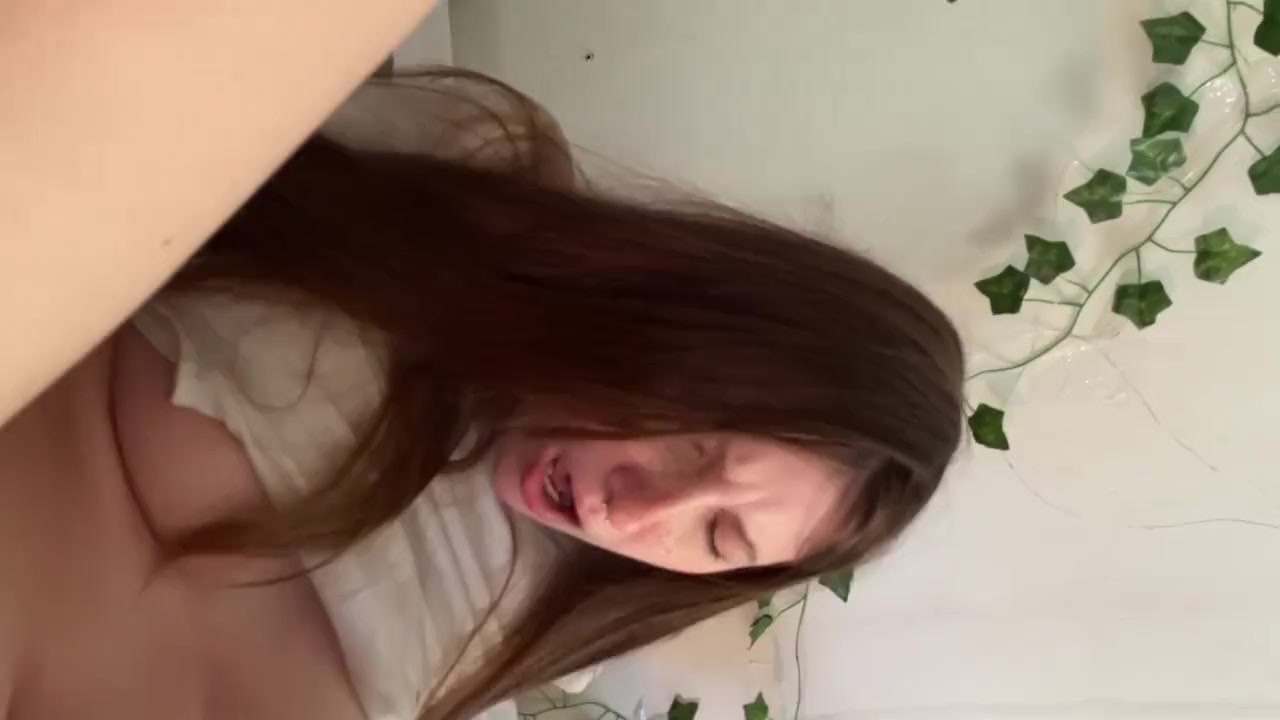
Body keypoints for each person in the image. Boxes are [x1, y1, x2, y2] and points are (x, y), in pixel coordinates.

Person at [0, 4, 964, 720]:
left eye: (717, 538)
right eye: (695, 446)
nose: (634, 512)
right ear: (695, 320)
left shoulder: (556, 622)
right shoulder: (475, 174)